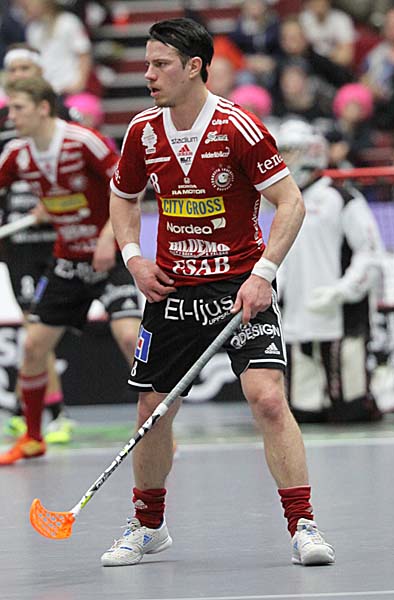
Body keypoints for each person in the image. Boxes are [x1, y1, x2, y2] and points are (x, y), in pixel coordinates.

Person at [101, 17, 335, 568]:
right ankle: (148, 526)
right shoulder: (142, 130)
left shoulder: (238, 127)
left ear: (194, 67)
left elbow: (291, 202)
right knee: (153, 409)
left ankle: (303, 524)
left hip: (239, 286)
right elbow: (123, 197)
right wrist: (134, 257)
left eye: (160, 64)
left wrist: (264, 274)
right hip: (172, 288)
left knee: (268, 398)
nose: (148, 74)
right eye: (147, 63)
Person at [0, 75, 142, 464]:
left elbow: (130, 188)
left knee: (130, 338)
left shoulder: (84, 141)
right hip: (68, 262)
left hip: (108, 259)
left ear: (43, 108)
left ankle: (159, 434)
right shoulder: (17, 154)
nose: (11, 117)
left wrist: (108, 237)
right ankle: (33, 437)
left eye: (18, 108)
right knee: (33, 346)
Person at [0, 42, 82, 443]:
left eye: (25, 68)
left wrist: (60, 202)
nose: (18, 76)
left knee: (40, 325)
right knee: (34, 324)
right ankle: (39, 411)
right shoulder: (5, 125)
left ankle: (45, 410)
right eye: (12, 70)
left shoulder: (64, 118)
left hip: (58, 237)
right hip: (18, 240)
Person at [276, 118, 383, 423]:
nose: (283, 160)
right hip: (298, 321)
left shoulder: (342, 198)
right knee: (302, 414)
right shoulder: (282, 203)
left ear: (311, 153)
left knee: (350, 411)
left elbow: (370, 253)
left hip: (340, 317)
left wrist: (343, 291)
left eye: (290, 152)